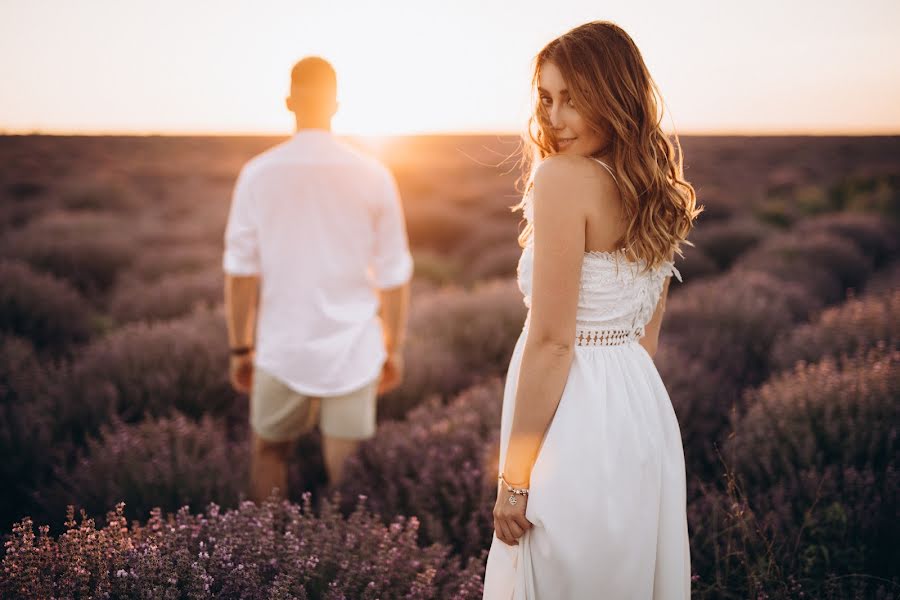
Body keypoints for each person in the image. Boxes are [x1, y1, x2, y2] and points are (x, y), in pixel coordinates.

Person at [482, 21, 702, 599]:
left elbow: (554, 341)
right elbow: (643, 336)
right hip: (638, 413)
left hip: (572, 422)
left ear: (613, 95)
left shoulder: (560, 179)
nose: (554, 118)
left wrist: (514, 481)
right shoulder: (661, 192)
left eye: (573, 99)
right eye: (547, 99)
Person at [222, 56, 413, 504]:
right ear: (336, 104)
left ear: (289, 101)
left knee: (270, 452)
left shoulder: (258, 174)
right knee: (349, 475)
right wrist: (395, 348)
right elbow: (394, 273)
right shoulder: (373, 173)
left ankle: (262, 557)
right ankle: (351, 564)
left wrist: (238, 348)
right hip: (354, 347)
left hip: (280, 345)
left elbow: (240, 270)